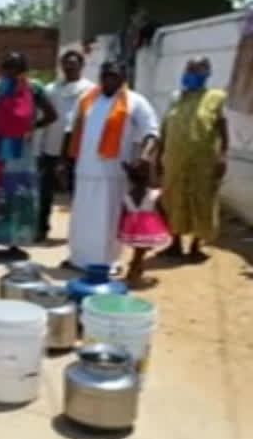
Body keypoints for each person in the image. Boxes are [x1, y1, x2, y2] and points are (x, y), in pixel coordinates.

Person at [66, 61, 159, 270]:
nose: (109, 79)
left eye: (114, 75)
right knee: (82, 218)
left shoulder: (135, 101)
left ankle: (106, 262)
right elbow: (73, 131)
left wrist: (145, 157)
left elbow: (151, 132)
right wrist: (65, 162)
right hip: (85, 170)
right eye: (105, 75)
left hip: (113, 172)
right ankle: (78, 259)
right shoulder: (86, 99)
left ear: (123, 77)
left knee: (107, 220)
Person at [0, 53, 57, 256]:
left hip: (20, 154)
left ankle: (14, 242)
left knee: (17, 195)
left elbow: (52, 115)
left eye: (17, 68)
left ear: (24, 70)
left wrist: (30, 127)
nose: (12, 73)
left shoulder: (34, 88)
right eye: (8, 67)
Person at [159, 57, 228, 260]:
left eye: (196, 71)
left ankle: (196, 246)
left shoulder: (216, 97)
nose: (190, 74)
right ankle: (175, 244)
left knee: (202, 201)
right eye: (188, 70)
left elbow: (223, 130)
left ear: (206, 74)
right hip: (175, 160)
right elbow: (165, 128)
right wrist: (157, 156)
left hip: (203, 162)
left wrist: (223, 156)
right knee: (173, 198)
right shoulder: (175, 98)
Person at [37, 51, 95, 241]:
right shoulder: (51, 89)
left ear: (81, 65)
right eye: (66, 63)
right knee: (44, 192)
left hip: (77, 150)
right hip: (51, 147)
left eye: (73, 63)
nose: (69, 67)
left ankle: (78, 233)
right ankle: (41, 228)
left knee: (76, 192)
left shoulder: (91, 90)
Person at [118, 162, 170, 288]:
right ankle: (133, 274)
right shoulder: (154, 194)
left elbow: (124, 213)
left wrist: (120, 228)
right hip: (148, 227)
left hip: (132, 226)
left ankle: (136, 270)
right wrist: (167, 223)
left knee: (139, 250)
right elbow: (162, 210)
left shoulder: (127, 195)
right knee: (140, 253)